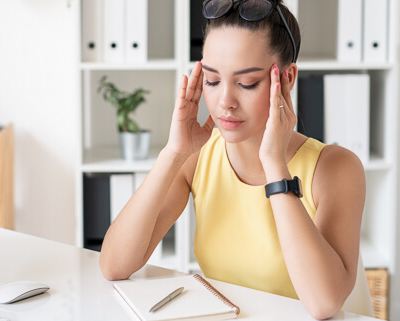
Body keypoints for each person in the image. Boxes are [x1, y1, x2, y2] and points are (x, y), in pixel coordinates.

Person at [99, 0, 365, 319]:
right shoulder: (197, 159)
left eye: (246, 83)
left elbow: (323, 304)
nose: (225, 102)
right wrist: (172, 153)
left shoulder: (335, 168)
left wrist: (274, 165)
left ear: (287, 79)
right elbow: (114, 266)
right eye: (212, 80)